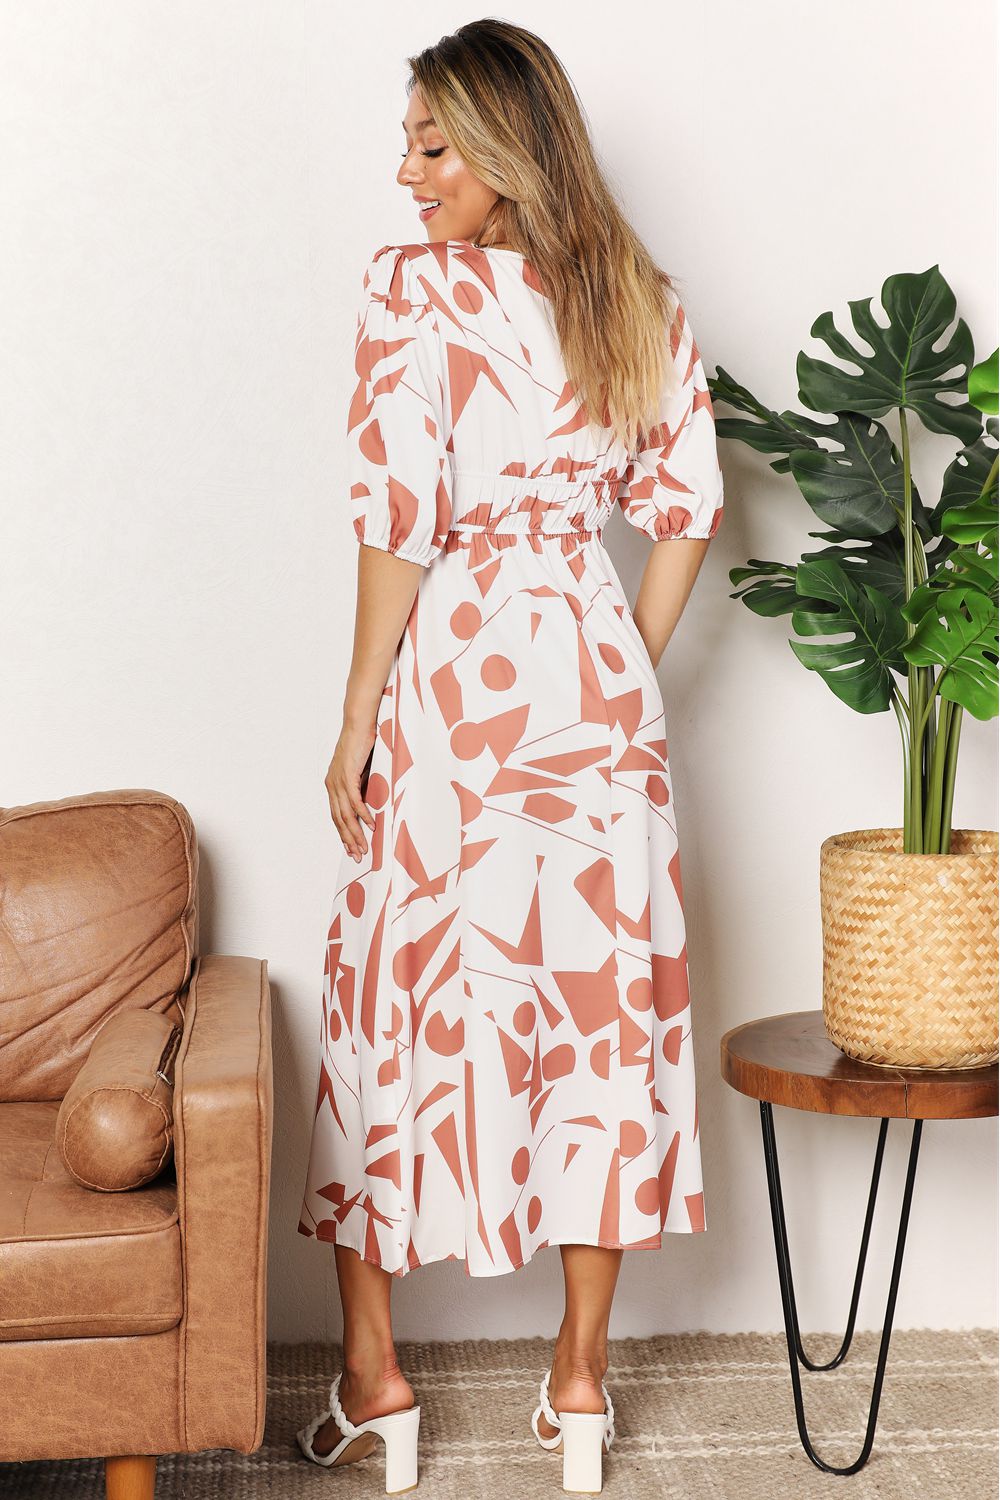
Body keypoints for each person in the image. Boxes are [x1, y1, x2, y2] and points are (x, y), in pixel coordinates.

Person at [295, 18, 725, 1493]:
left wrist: (359, 712)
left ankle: (378, 1380)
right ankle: (582, 1379)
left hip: (457, 689)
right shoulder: (637, 300)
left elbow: (396, 518)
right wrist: (619, 675)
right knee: (595, 1017)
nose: (403, 172)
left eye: (430, 144)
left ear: (501, 148)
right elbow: (683, 515)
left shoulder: (411, 291)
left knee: (388, 997)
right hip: (596, 693)